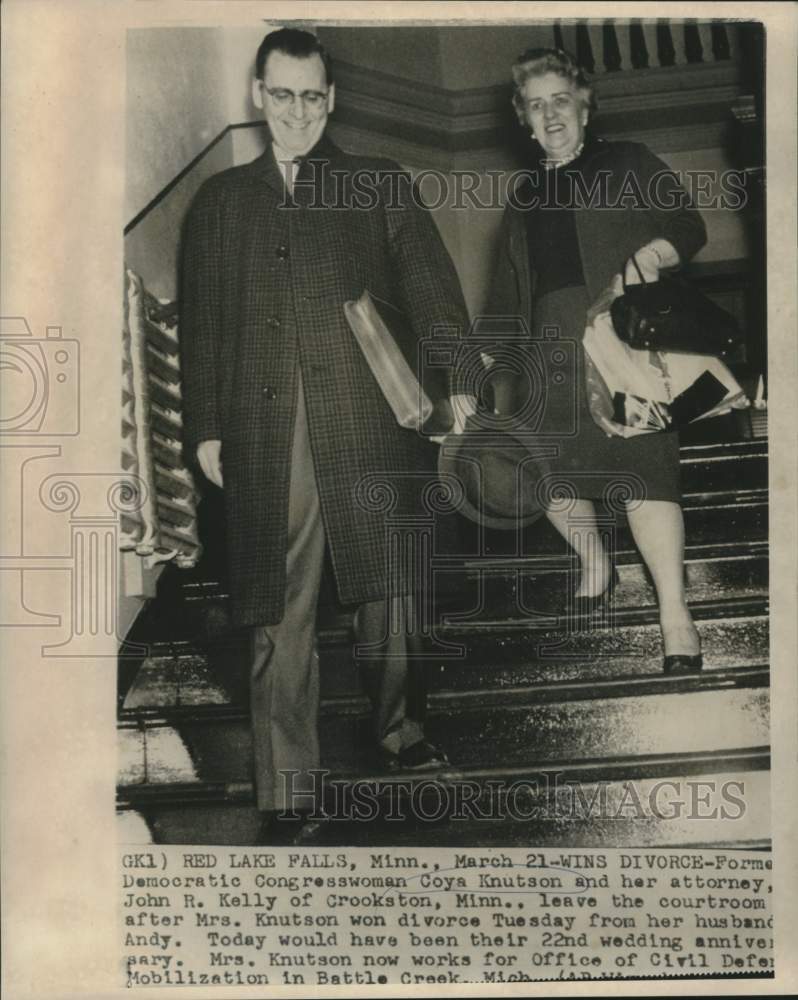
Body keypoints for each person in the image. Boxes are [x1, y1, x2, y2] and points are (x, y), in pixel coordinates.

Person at [179, 28, 470, 842]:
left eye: (313, 96)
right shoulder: (219, 203)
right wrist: (204, 425)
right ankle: (290, 787)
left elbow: (433, 289)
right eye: (282, 95)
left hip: (374, 413)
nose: (298, 112)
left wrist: (460, 384)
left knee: (392, 589)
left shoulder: (377, 181)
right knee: (278, 602)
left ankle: (401, 737)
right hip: (267, 425)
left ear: (331, 99)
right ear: (256, 95)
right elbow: (202, 329)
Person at [485, 47, 707, 672]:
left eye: (561, 99)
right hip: (549, 348)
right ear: (523, 120)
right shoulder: (524, 196)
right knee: (541, 464)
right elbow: (505, 298)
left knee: (644, 471)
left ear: (584, 104)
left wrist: (651, 257)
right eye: (536, 105)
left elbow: (688, 225)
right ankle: (593, 561)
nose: (550, 114)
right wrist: (481, 369)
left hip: (624, 337)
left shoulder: (629, 161)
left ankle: (675, 615)